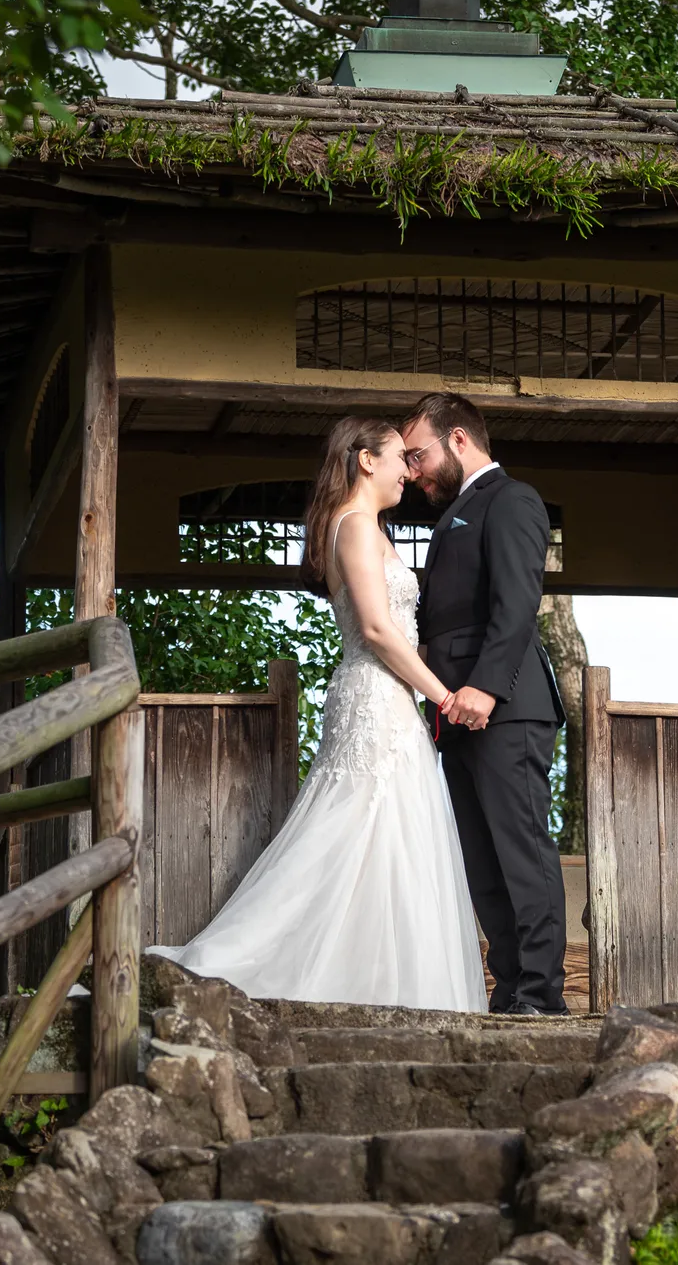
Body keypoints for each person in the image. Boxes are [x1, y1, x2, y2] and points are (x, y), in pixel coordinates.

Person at [149, 416, 487, 1011]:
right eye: (397, 458)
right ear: (364, 461)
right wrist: (444, 697)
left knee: (387, 842)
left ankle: (376, 982)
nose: (409, 472)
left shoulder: (368, 528)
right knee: (353, 831)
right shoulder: (354, 526)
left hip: (390, 701)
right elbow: (380, 631)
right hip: (375, 698)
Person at [402, 393, 568, 1015]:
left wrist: (486, 686)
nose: (413, 470)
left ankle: (542, 996)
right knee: (482, 859)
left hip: (506, 705)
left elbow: (517, 603)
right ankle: (509, 988)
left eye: (419, 454)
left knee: (521, 848)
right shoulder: (454, 515)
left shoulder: (512, 499)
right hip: (455, 714)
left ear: (461, 440)